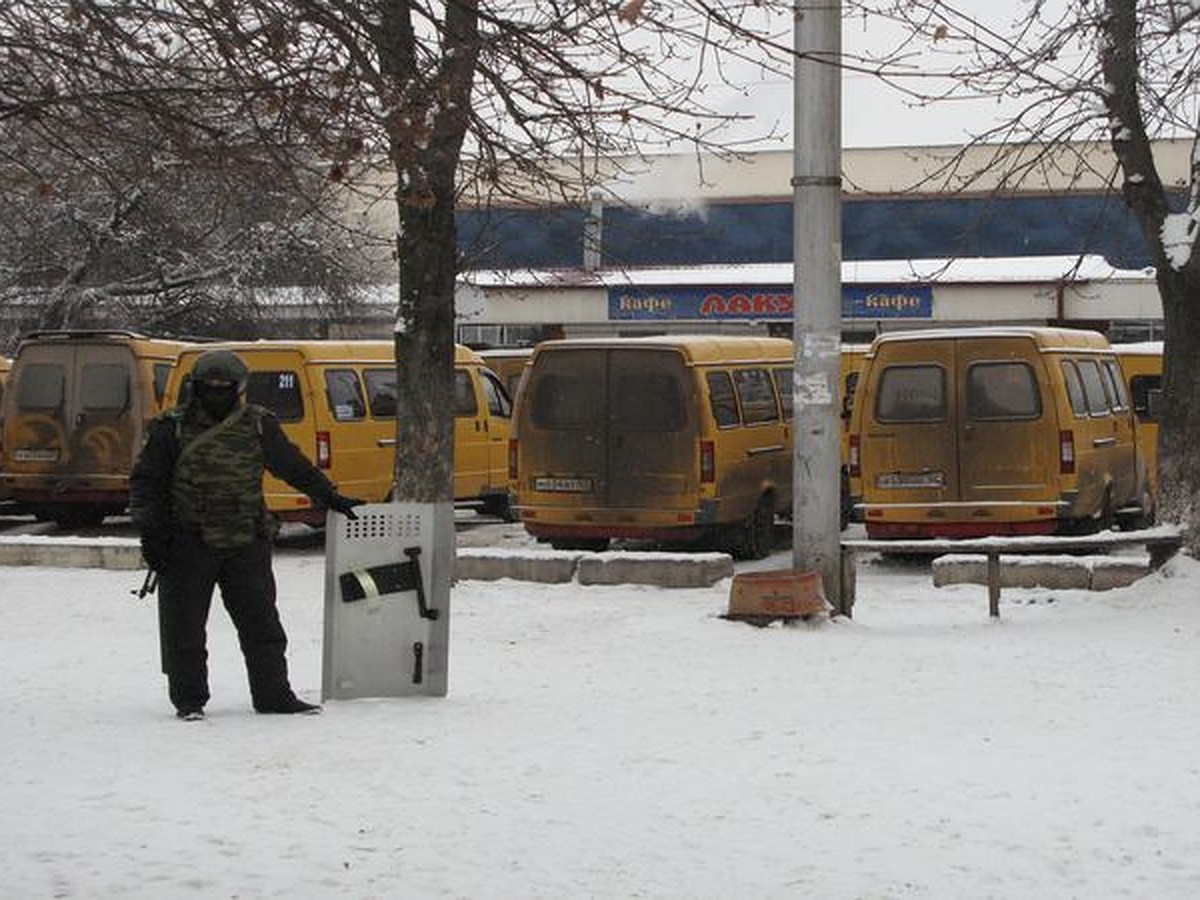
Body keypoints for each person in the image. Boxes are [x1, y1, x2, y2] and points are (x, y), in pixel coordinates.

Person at [129, 349, 364, 721]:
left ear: (238, 389)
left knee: (263, 626)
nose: (217, 393)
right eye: (210, 387)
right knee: (184, 630)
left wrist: (330, 497)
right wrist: (152, 536)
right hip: (188, 541)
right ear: (197, 388)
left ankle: (273, 694)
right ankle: (189, 700)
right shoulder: (170, 428)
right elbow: (147, 485)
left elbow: (293, 466)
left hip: (245, 541)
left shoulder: (257, 424)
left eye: (225, 387)